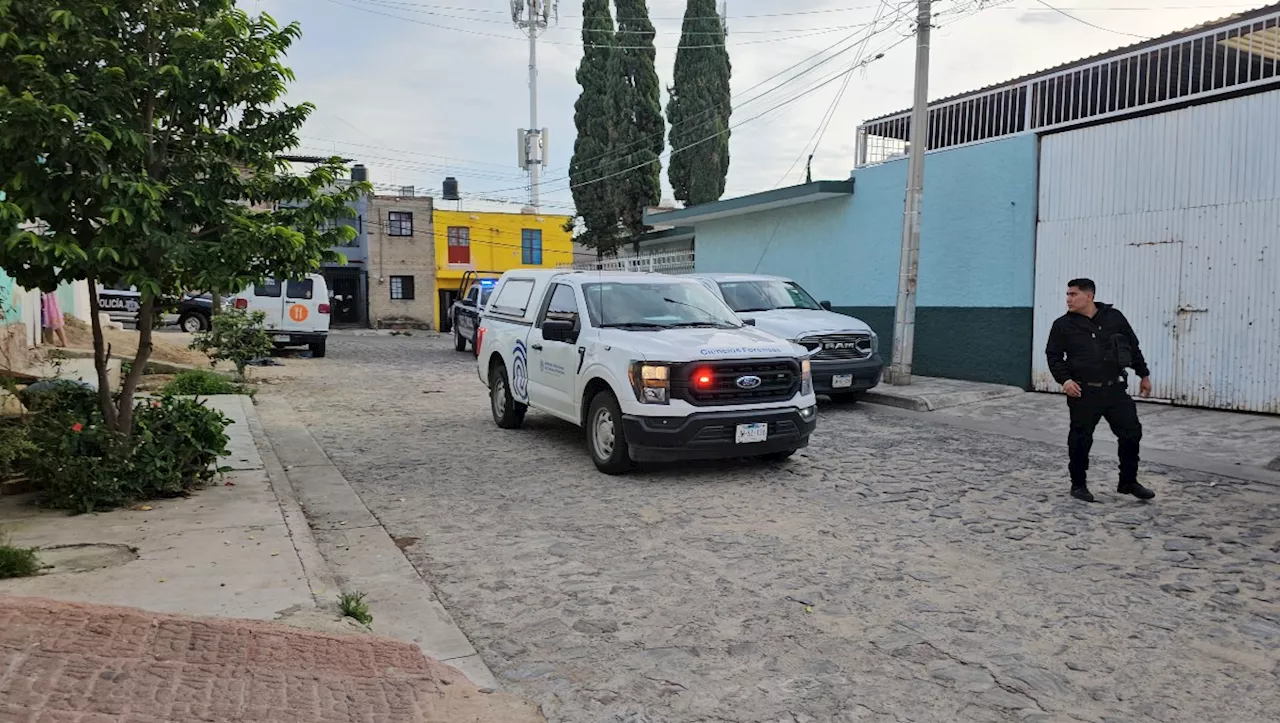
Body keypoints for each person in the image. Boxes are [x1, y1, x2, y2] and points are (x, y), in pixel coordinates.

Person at [1045, 278, 1155, 503]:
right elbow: (1054, 356)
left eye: (1073, 294)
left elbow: (1132, 347)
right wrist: (1065, 381)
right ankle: (1078, 485)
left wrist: (1143, 374)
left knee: (1131, 432)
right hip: (1084, 392)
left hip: (1114, 389)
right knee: (1080, 439)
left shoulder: (1114, 318)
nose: (1068, 299)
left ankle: (1128, 482)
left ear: (1089, 296)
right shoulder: (1062, 325)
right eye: (1067, 294)